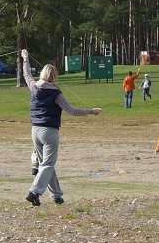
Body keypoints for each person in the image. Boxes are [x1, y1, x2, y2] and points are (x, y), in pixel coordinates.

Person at [22, 49, 101, 206]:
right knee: (48, 164)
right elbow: (72, 111)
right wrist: (91, 111)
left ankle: (56, 195)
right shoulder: (56, 93)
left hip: (35, 131)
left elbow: (27, 75)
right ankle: (34, 192)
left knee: (46, 164)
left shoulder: (34, 87)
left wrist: (25, 59)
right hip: (49, 132)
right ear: (54, 77)